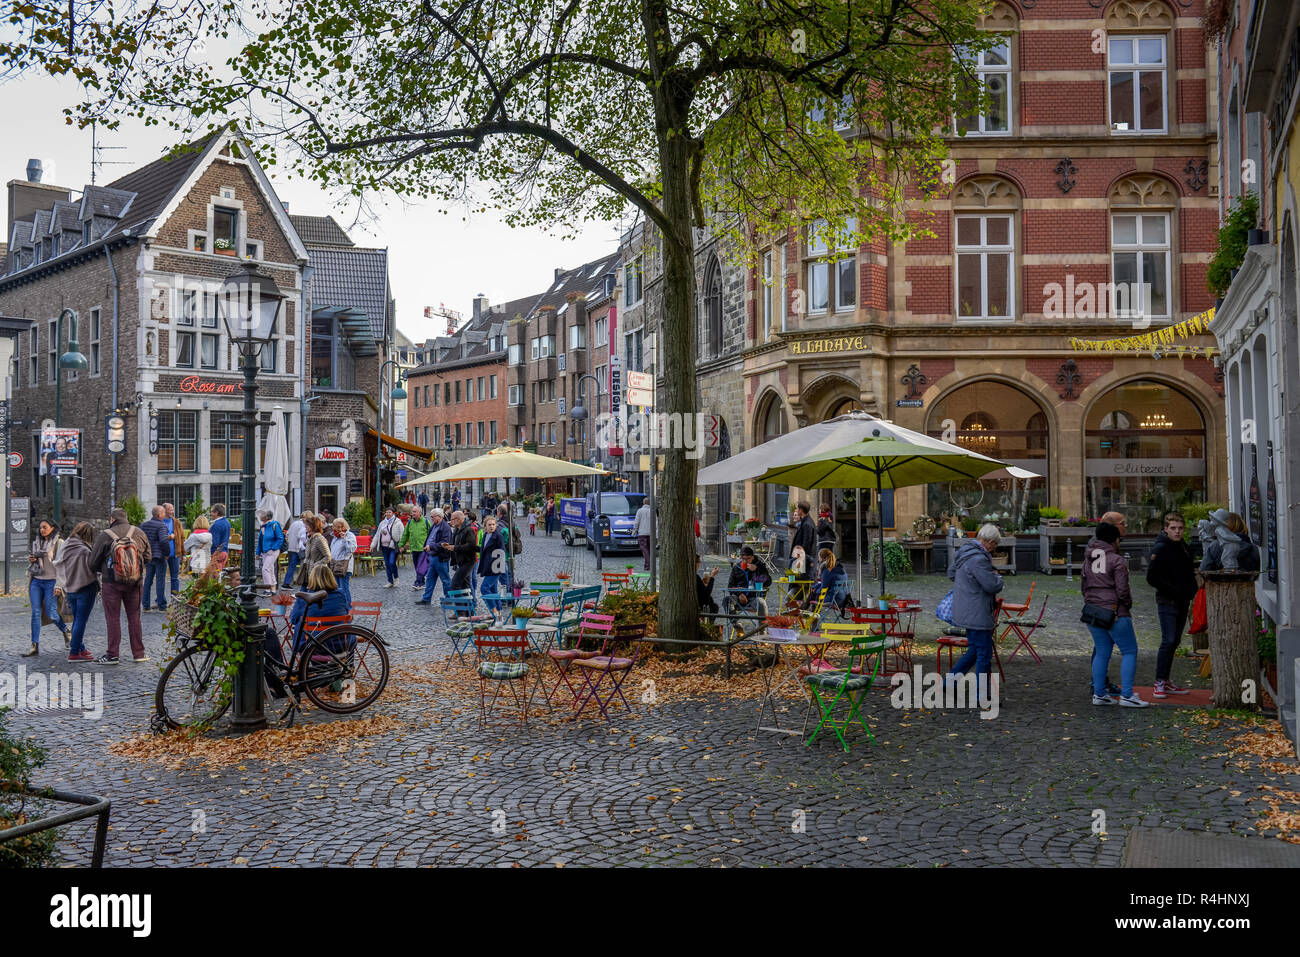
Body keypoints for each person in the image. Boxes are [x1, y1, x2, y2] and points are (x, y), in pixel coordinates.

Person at [1082, 521, 1147, 707]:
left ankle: (1099, 693)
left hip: (1093, 612)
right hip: (1115, 612)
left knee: (1102, 652)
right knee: (1129, 651)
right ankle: (1127, 695)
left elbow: (1083, 586)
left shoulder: (1088, 559)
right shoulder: (1117, 560)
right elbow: (1123, 590)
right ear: (1115, 540)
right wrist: (1126, 605)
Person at [89, 507, 152, 664]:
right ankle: (139, 653)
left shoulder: (105, 535)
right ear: (126, 518)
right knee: (134, 617)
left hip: (111, 583)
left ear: (112, 519)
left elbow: (92, 562)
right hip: (135, 582)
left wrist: (106, 569)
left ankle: (112, 655)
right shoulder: (138, 533)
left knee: (113, 618)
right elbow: (148, 556)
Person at [946, 523, 1005, 687]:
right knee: (984, 654)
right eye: (995, 544)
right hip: (977, 612)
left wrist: (966, 584)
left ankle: (949, 683)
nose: (994, 548)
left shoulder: (964, 552)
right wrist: (999, 579)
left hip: (966, 610)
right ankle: (983, 697)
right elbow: (992, 585)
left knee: (974, 650)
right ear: (990, 541)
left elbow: (951, 573)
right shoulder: (978, 558)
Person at [1147, 511, 1198, 699]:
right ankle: (1159, 681)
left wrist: (1191, 590)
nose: (1177, 532)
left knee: (1174, 641)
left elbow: (1188, 571)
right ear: (1166, 529)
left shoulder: (1183, 547)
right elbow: (1151, 577)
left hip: (1182, 600)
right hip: (1167, 600)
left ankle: (1166, 680)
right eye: (1173, 528)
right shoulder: (1161, 548)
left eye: (1180, 528)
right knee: (1167, 640)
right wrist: (1173, 589)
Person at [278, 564, 350, 667]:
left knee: (308, 633)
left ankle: (319, 673)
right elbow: (345, 611)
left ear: (312, 579)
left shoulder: (306, 597)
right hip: (340, 644)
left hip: (313, 647)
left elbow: (293, 619)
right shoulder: (340, 594)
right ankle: (332, 673)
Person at [22, 519, 70, 656]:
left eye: (45, 527)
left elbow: (62, 565)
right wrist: (32, 559)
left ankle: (66, 630)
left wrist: (59, 585)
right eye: (40, 527)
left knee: (52, 613)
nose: (42, 530)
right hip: (37, 580)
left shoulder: (59, 543)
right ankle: (34, 646)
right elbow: (34, 558)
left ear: (52, 528)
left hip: (52, 582)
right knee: (35, 613)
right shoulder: (37, 541)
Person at [55, 522, 100, 662]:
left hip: (70, 589)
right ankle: (74, 652)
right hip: (85, 588)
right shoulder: (85, 550)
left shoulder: (66, 546)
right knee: (81, 621)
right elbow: (92, 570)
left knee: (77, 620)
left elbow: (57, 564)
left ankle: (81, 648)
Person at [418, 508, 455, 604]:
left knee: (445, 579)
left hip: (441, 557)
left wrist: (431, 546)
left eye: (432, 517)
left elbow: (445, 543)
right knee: (430, 578)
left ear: (439, 517)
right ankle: (426, 599)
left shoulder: (445, 527)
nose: (431, 519)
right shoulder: (434, 526)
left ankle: (449, 599)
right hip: (432, 556)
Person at [140, 505, 171, 612]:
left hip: (148, 557)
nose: (165, 514)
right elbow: (163, 541)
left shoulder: (144, 525)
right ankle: (162, 605)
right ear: (159, 515)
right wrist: (167, 553)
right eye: (163, 513)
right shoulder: (161, 525)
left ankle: (146, 605)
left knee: (148, 580)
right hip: (159, 557)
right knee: (160, 581)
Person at [727, 545, 771, 616]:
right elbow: (730, 586)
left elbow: (768, 582)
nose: (745, 561)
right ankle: (736, 624)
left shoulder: (760, 566)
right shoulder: (736, 568)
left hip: (754, 597)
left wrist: (756, 570)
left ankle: (762, 626)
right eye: (743, 559)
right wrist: (739, 594)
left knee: (762, 603)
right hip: (739, 598)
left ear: (752, 557)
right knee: (728, 600)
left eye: (748, 558)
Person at [478, 515, 507, 616]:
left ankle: (494, 611)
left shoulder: (498, 536)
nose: (491, 526)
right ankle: (499, 612)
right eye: (489, 525)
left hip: (495, 567)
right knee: (493, 590)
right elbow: (484, 549)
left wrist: (498, 567)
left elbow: (502, 551)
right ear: (485, 526)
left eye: (493, 525)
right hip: (487, 567)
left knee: (484, 588)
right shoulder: (486, 535)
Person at [399, 506, 431, 589]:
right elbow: (405, 534)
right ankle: (422, 582)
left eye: (414, 512)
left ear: (420, 513)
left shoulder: (426, 522)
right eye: (412, 512)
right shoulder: (410, 523)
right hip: (414, 548)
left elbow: (432, 534)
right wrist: (401, 545)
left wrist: (430, 545)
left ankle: (418, 582)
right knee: (417, 566)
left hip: (423, 549)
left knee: (420, 566)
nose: (413, 513)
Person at [295, 515, 332, 587]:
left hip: (317, 573)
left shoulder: (320, 539)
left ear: (313, 526)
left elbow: (328, 557)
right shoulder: (309, 538)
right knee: (303, 594)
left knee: (313, 594)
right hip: (307, 572)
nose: (305, 526)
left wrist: (316, 565)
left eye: (307, 525)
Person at [810, 548, 849, 614]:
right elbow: (827, 584)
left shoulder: (827, 570)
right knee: (815, 591)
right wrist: (815, 586)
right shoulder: (841, 568)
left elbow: (824, 588)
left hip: (834, 600)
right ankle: (810, 614)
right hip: (844, 599)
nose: (818, 559)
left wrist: (815, 590)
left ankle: (813, 617)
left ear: (822, 558)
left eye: (819, 557)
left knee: (814, 595)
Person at [255, 509, 285, 592]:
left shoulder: (274, 524)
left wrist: (274, 548)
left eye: (262, 514)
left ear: (266, 517)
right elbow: (260, 541)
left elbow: (280, 538)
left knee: (265, 569)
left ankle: (267, 588)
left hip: (272, 551)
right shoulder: (263, 526)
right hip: (265, 552)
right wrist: (258, 553)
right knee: (270, 569)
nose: (260, 516)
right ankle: (273, 590)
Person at [329, 517, 357, 606]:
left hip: (344, 566)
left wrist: (345, 539)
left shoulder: (349, 535)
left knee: (344, 588)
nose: (339, 529)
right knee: (336, 588)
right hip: (335, 565)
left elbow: (352, 549)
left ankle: (348, 608)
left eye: (341, 526)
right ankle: (340, 607)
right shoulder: (334, 537)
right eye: (337, 527)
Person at [374, 507, 404, 588]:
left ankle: (396, 578)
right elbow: (377, 535)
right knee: (387, 564)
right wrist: (372, 545)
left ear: (393, 513)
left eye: (389, 512)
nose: (387, 514)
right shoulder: (382, 523)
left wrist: (401, 546)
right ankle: (390, 581)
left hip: (393, 546)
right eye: (386, 512)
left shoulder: (398, 522)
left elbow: (402, 535)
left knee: (391, 562)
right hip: (384, 546)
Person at [449, 509, 479, 591]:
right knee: (465, 586)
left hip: (468, 561)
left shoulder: (469, 530)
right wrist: (449, 546)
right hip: (461, 561)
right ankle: (470, 603)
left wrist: (455, 548)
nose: (450, 522)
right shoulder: (457, 529)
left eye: (452, 519)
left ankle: (460, 603)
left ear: (458, 519)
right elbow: (456, 543)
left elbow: (471, 546)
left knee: (455, 584)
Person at [282, 510, 310, 588]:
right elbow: (301, 537)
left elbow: (287, 534)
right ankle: (294, 582)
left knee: (291, 566)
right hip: (298, 548)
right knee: (302, 565)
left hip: (290, 547)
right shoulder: (303, 525)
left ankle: (288, 582)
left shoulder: (294, 523)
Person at [790, 501, 817, 579]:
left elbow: (806, 542)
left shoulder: (807, 524)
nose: (795, 510)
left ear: (801, 510)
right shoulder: (804, 521)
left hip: (804, 560)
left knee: (800, 582)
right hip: (802, 558)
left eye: (797, 508)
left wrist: (800, 557)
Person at [162, 502, 182, 601]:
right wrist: (170, 537)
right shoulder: (160, 521)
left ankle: (175, 600)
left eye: (172, 509)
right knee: (161, 578)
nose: (172, 511)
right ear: (164, 510)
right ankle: (160, 600)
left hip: (175, 554)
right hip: (162, 555)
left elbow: (182, 537)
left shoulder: (176, 522)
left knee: (175, 578)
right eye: (170, 509)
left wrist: (182, 552)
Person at [209, 504, 231, 571]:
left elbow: (214, 542)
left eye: (212, 512)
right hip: (225, 551)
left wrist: (211, 553)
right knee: (219, 575)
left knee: (213, 575)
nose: (211, 514)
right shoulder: (227, 522)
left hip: (217, 553)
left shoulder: (216, 525)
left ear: (217, 512)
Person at [633, 498, 652, 570]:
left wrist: (634, 531)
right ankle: (649, 564)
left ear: (643, 503)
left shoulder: (640, 511)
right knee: (650, 550)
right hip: (651, 533)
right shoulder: (652, 511)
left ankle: (648, 565)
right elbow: (656, 523)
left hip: (642, 533)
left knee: (644, 549)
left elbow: (636, 522)